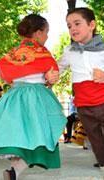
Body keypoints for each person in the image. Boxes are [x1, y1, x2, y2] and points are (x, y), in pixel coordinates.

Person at [0, 14, 67, 180]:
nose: (47, 36)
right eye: (46, 32)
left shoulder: (15, 53)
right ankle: (15, 170)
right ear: (38, 33)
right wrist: (49, 79)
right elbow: (51, 76)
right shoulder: (42, 52)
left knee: (22, 135)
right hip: (35, 97)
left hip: (15, 97)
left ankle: (14, 171)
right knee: (39, 136)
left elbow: (5, 74)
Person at [47, 7, 104, 170]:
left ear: (91, 24)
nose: (73, 28)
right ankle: (102, 163)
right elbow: (59, 67)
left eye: (77, 23)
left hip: (102, 99)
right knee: (95, 138)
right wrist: (52, 76)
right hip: (83, 104)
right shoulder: (69, 50)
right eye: (69, 26)